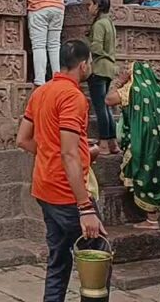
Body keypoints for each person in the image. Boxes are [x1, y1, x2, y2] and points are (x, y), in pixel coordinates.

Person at [16, 40, 106, 302]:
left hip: (44, 188)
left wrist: (77, 154)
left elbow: (23, 139)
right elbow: (67, 153)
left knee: (58, 260)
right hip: (68, 193)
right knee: (97, 261)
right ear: (83, 64)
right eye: (89, 62)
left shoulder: (42, 92)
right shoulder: (72, 97)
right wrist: (85, 208)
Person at [106, 61, 160, 229]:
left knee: (144, 171)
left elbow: (108, 100)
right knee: (156, 171)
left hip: (142, 140)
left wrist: (119, 82)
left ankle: (151, 220)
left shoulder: (132, 89)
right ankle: (154, 216)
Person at [87, 0, 119, 155]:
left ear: (97, 6)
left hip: (99, 67)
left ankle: (105, 143)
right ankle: (113, 143)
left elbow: (97, 47)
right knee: (106, 108)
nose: (89, 8)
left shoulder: (100, 24)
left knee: (100, 107)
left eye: (91, 4)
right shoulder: (109, 23)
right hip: (109, 68)